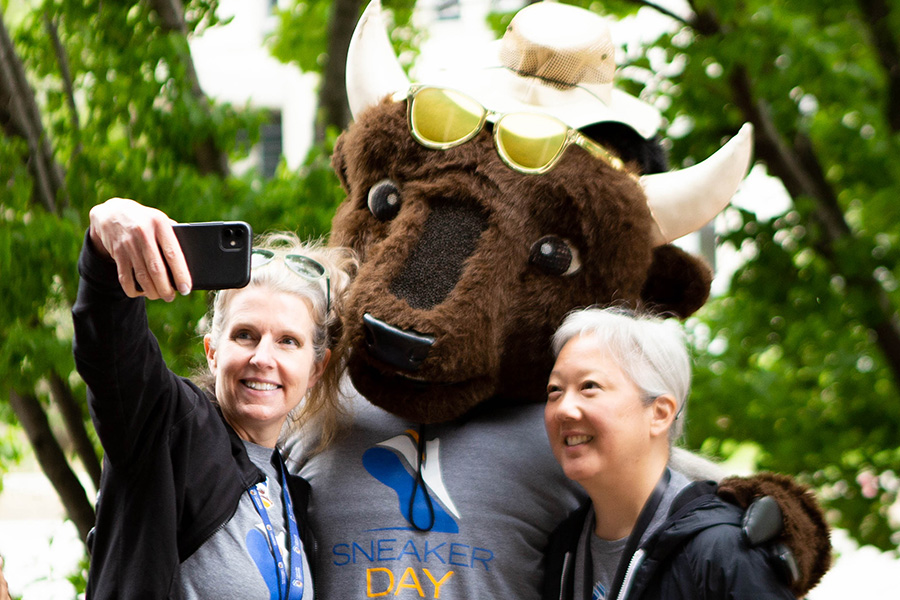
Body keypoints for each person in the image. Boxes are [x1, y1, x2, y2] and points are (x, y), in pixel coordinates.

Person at [72, 198, 356, 599]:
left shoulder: (292, 491)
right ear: (212, 350)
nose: (263, 358)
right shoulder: (170, 431)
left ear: (316, 369)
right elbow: (111, 350)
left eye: (288, 341)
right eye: (245, 335)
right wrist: (104, 244)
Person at [542, 307, 797, 600]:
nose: (563, 409)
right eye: (554, 391)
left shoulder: (721, 549)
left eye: (589, 386)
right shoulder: (564, 547)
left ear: (660, 414)